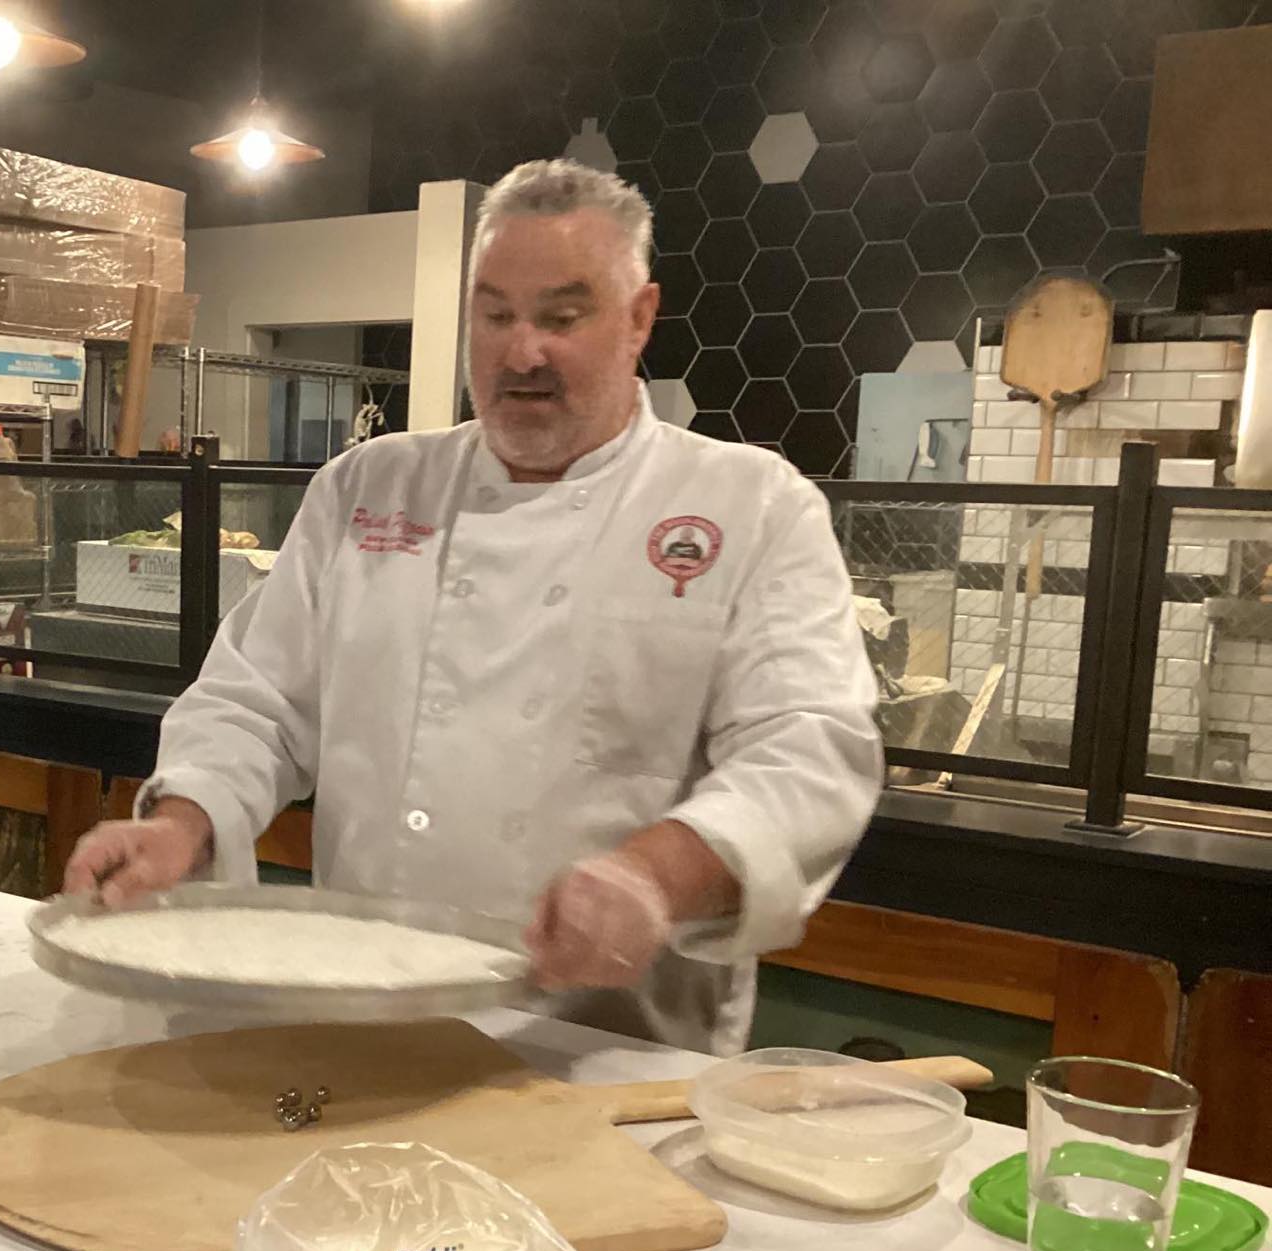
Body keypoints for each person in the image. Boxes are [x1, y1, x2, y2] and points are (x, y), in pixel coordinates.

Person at [64, 159, 883, 1055]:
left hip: (611, 1056)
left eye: (561, 317)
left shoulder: (751, 505)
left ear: (640, 317)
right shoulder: (369, 486)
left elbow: (810, 752)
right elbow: (256, 702)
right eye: (494, 315)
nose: (521, 351)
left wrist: (657, 876)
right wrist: (179, 827)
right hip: (364, 1022)